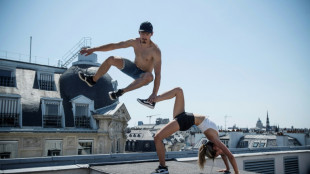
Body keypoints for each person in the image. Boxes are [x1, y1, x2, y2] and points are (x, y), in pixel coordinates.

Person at [150, 87, 239, 174]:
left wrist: (233, 170)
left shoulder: (214, 139)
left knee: (158, 137)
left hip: (187, 120)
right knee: (178, 91)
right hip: (186, 116)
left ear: (215, 147)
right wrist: (229, 169)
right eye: (219, 153)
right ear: (215, 148)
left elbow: (227, 155)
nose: (221, 152)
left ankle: (163, 168)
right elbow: (228, 156)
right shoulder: (216, 139)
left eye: (218, 153)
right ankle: (152, 100)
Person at [78, 21, 161, 106]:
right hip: (133, 68)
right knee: (111, 59)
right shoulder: (134, 42)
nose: (144, 36)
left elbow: (157, 74)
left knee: (150, 76)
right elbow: (114, 46)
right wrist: (93, 49)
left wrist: (154, 93)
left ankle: (120, 92)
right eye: (142, 33)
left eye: (147, 34)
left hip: (143, 76)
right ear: (139, 32)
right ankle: (92, 80)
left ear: (152, 34)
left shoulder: (155, 51)